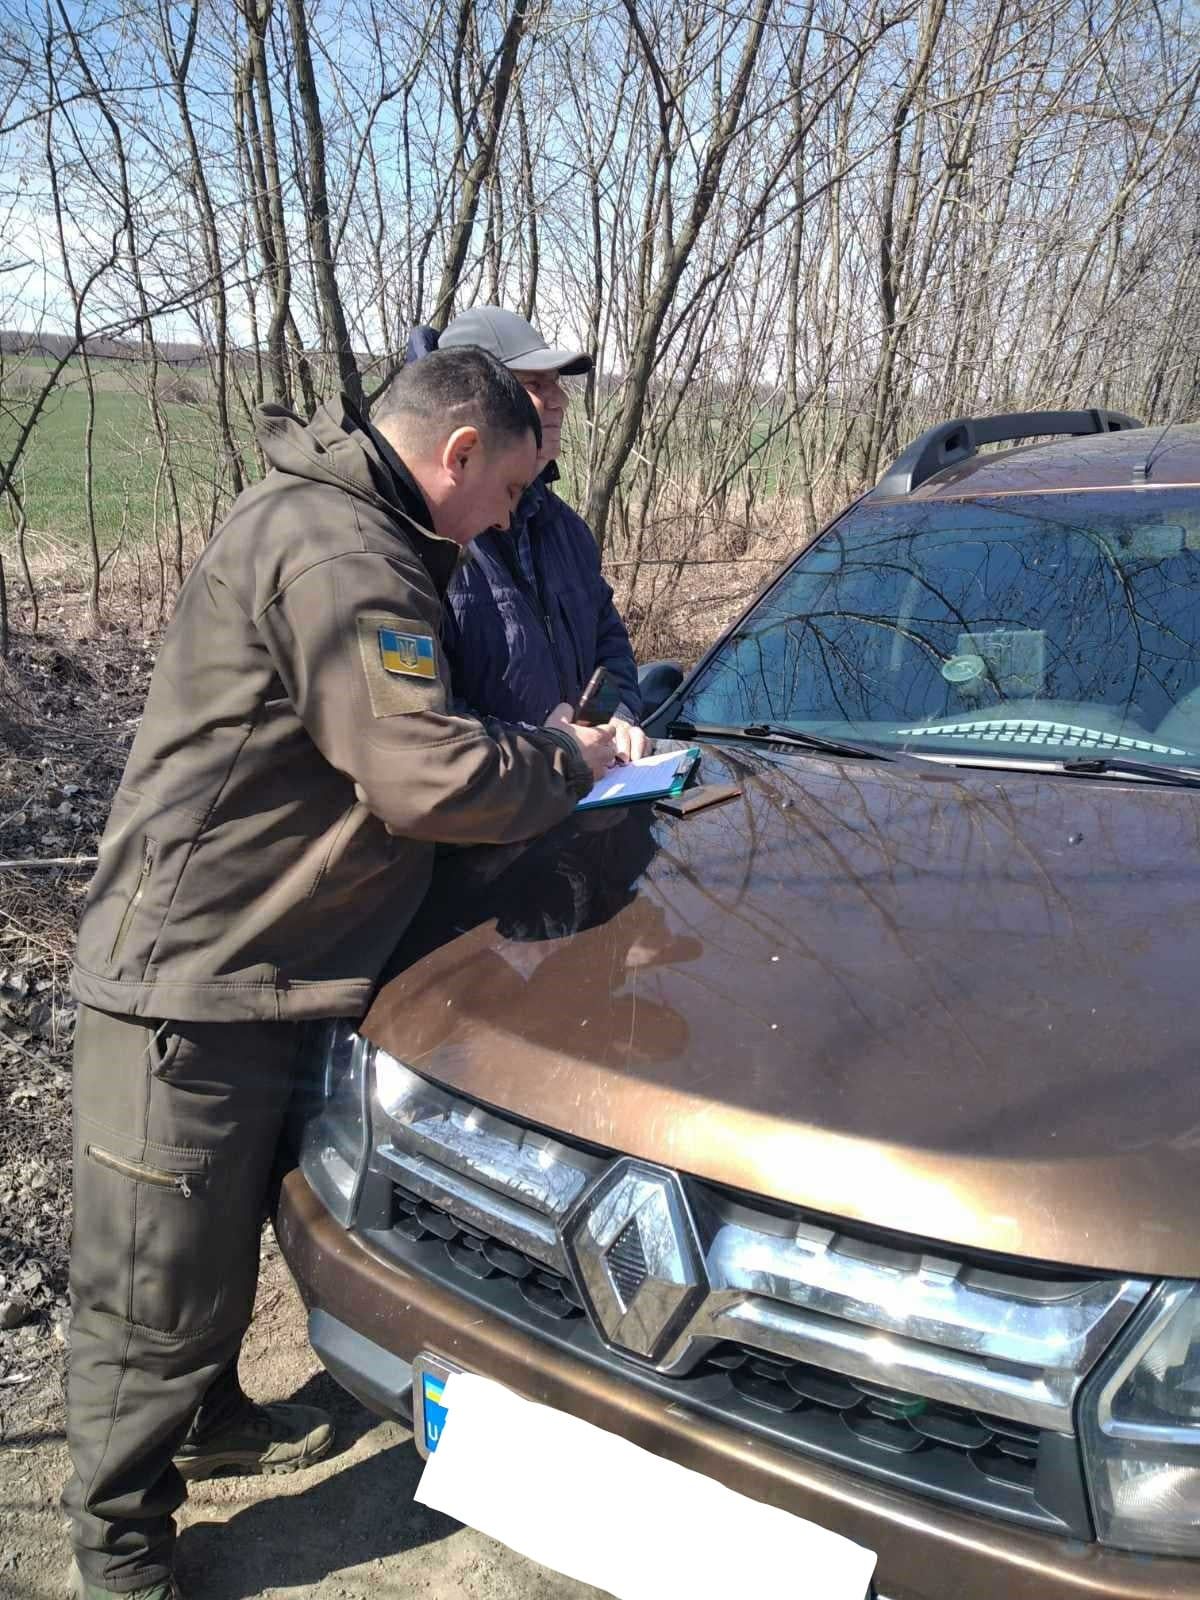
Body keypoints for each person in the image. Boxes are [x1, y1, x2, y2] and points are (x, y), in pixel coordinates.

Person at [63, 348, 615, 1600]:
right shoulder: (343, 555)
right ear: (459, 453)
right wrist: (568, 762)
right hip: (192, 981)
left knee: (205, 1250)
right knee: (151, 1294)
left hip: (265, 966)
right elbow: (419, 774)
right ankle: (120, 1553)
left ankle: (210, 1424)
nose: (507, 522)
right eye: (507, 490)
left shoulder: (360, 533)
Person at [407, 306, 651, 763]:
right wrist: (545, 752)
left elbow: (608, 640)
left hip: (582, 787)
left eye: (556, 383)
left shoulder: (565, 530)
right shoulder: (429, 540)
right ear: (477, 406)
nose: (559, 400)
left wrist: (614, 718)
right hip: (496, 796)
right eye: (535, 386)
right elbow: (421, 724)